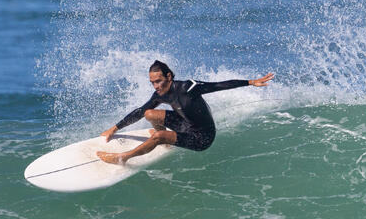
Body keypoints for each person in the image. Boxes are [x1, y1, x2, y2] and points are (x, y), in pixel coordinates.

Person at [96, 60, 274, 164]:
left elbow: (219, 85)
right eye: (152, 83)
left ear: (169, 77)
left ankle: (123, 158)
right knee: (149, 113)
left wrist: (250, 82)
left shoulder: (188, 87)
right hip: (185, 124)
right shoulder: (160, 94)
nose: (156, 86)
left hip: (202, 137)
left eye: (159, 81)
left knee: (157, 137)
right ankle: (165, 138)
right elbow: (140, 111)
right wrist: (115, 128)